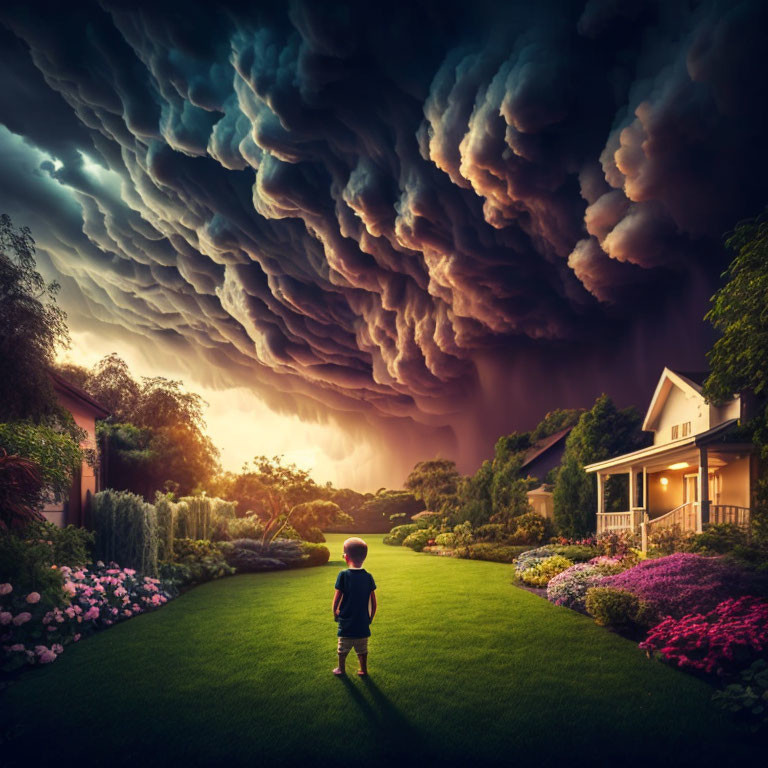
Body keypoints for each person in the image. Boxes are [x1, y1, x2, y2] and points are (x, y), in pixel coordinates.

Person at [332, 536, 377, 676]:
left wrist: (335, 613)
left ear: (346, 557)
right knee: (362, 649)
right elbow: (374, 602)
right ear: (364, 557)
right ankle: (363, 670)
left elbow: (337, 598)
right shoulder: (368, 576)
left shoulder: (343, 575)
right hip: (363, 622)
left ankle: (341, 669)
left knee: (342, 649)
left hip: (346, 622)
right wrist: (370, 618)